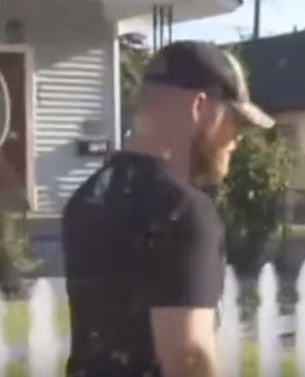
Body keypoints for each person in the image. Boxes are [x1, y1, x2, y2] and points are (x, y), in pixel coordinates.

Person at [61, 41, 275, 377]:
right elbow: (188, 356)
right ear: (200, 107)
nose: (236, 141)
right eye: (235, 122)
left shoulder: (88, 198)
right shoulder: (183, 211)